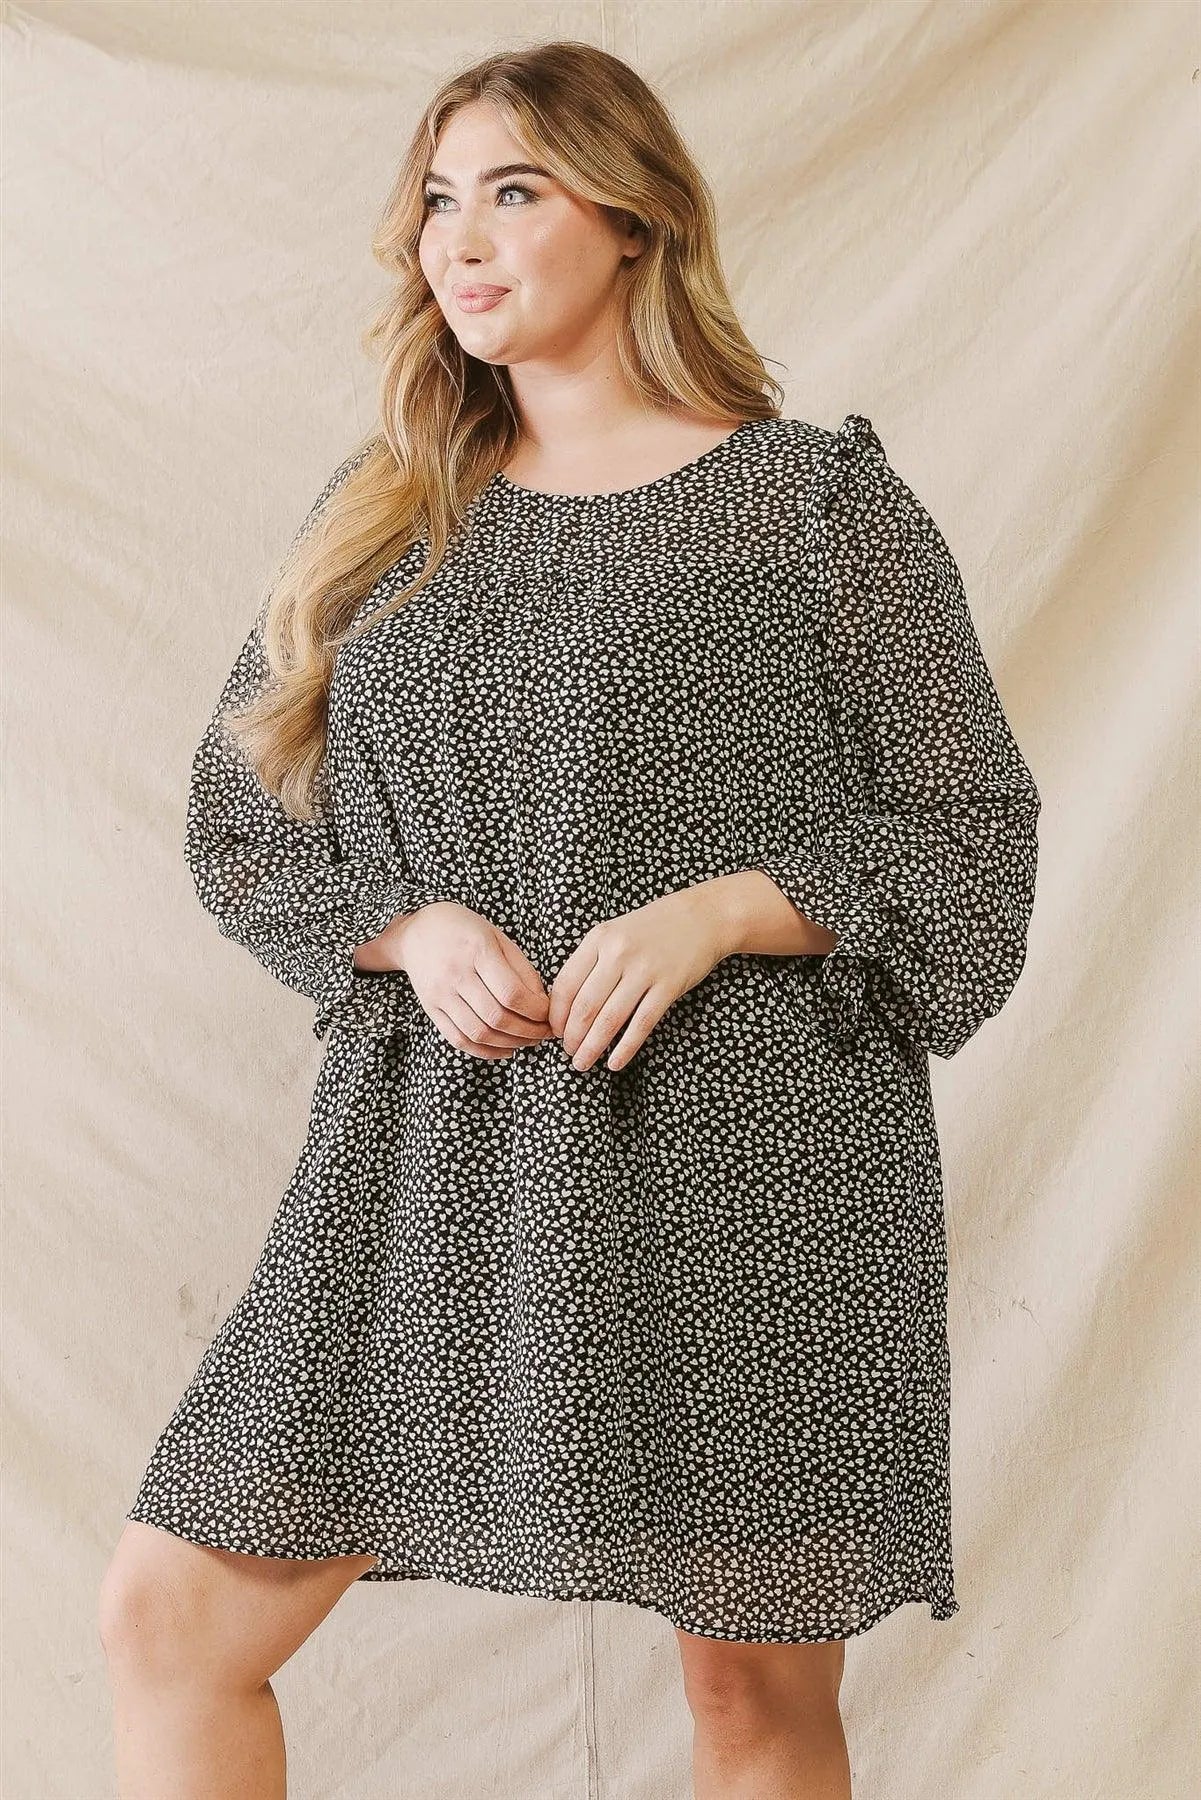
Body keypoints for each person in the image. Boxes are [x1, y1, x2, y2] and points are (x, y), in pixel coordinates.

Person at [98, 39, 1041, 1800]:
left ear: (634, 218)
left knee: (748, 1702)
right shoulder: (385, 513)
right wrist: (402, 927)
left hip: (754, 1173)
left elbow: (971, 841)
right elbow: (242, 824)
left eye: (513, 191)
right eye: (437, 202)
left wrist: (732, 906)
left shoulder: (813, 506)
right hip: (433, 1161)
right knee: (170, 1620)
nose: (459, 240)